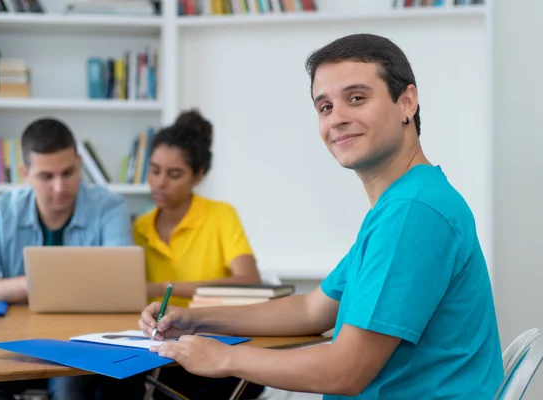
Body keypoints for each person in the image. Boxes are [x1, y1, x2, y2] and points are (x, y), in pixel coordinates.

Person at [139, 34, 504, 399]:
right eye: (325, 107)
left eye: (356, 98)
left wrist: (226, 358)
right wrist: (196, 319)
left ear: (406, 102)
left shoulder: (413, 214)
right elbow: (312, 309)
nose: (338, 118)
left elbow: (344, 372)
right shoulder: (403, 204)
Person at [0, 117, 138, 400]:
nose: (60, 187)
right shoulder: (0, 211)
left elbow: (123, 287)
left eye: (68, 172)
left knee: (73, 385)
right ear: (25, 173)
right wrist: (34, 284)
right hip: (16, 340)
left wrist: (47, 285)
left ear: (79, 162)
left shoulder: (110, 207)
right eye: (46, 176)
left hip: (86, 342)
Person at [132, 109, 265, 399]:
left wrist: (160, 288)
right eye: (154, 170)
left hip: (214, 346)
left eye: (174, 174)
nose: (160, 183)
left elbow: (250, 281)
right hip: (155, 350)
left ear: (199, 175)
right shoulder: (138, 227)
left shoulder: (220, 216)